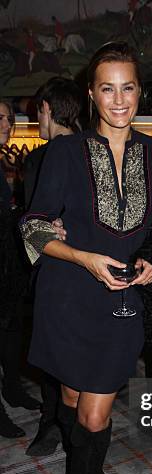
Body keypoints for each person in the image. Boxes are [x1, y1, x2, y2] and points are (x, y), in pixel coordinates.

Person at [20, 41, 152, 474]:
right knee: (72, 398)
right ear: (91, 94)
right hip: (69, 296)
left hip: (120, 303)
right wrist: (83, 257)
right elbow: (33, 228)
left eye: (128, 87)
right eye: (108, 88)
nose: (119, 98)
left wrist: (151, 260)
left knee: (97, 412)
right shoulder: (64, 153)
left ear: (139, 91)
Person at [23, 77, 82, 457]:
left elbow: (33, 227)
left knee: (53, 357)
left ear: (47, 109)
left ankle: (54, 425)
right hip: (93, 275)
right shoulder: (97, 147)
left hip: (57, 273)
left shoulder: (41, 158)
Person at [0, 98, 41, 440]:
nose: (4, 124)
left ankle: (12, 388)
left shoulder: (4, 162)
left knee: (12, 330)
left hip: (9, 265)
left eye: (7, 118)